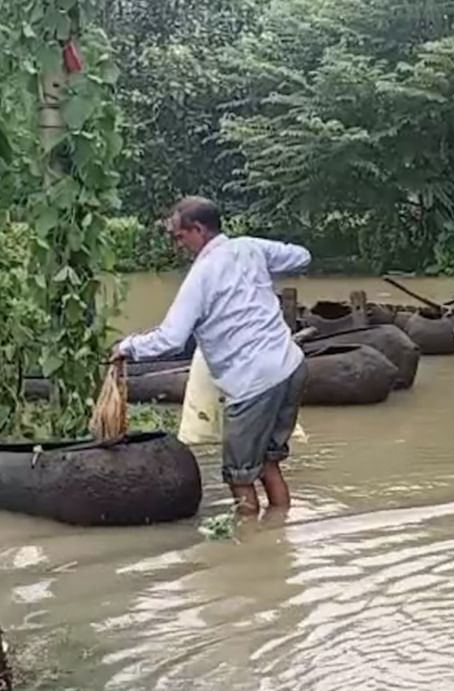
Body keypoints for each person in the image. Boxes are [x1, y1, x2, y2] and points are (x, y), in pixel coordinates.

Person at [113, 197, 311, 517]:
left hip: (254, 383)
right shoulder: (249, 248)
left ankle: (247, 547)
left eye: (180, 236)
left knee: (239, 475)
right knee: (268, 463)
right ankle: (279, 534)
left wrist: (127, 347)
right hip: (290, 366)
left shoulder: (201, 275)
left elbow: (171, 338)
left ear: (199, 230)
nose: (178, 245)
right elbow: (302, 257)